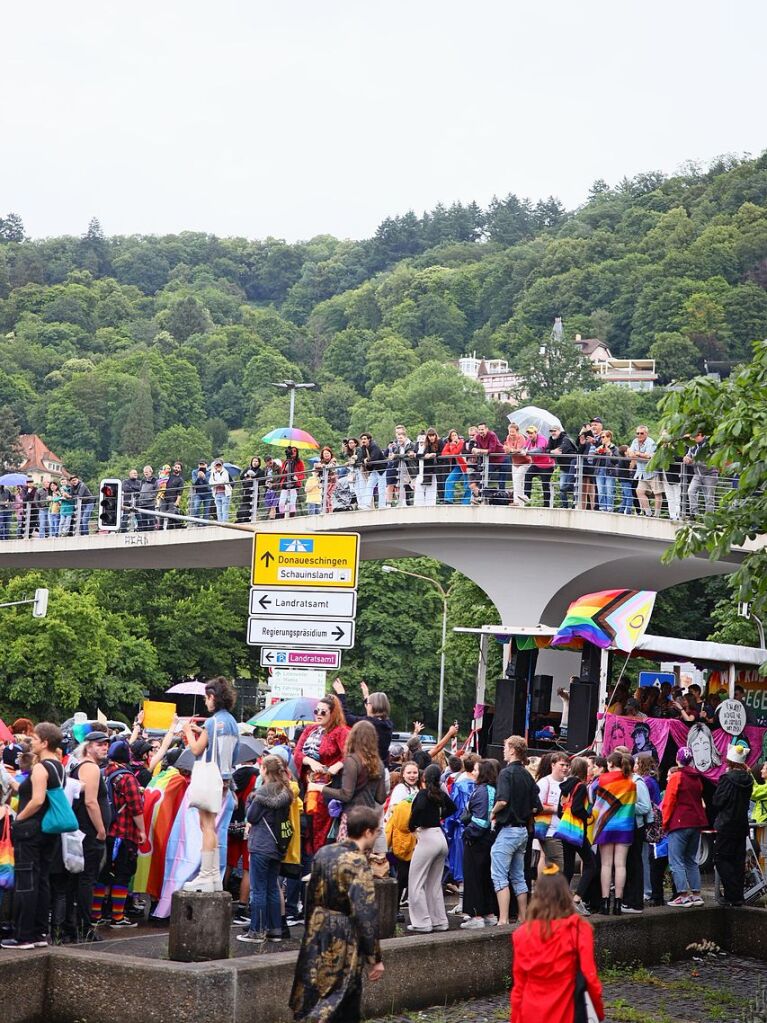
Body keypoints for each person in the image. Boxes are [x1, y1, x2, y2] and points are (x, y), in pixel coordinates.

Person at [290, 806, 384, 1023]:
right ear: (368, 832)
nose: (377, 835)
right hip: (343, 933)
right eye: (377, 831)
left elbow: (311, 895)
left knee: (316, 988)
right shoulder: (358, 862)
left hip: (318, 926)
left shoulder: (325, 852)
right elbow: (365, 912)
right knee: (342, 994)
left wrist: (309, 930)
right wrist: (374, 957)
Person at [510, 866, 604, 1023]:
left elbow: (519, 985)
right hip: (566, 1012)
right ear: (566, 895)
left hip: (530, 1013)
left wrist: (515, 1018)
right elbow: (590, 976)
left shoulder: (521, 934)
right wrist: (598, 1011)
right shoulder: (579, 929)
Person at [1, 722, 65, 950]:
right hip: (48, 831)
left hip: (31, 830)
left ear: (45, 742)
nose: (31, 742)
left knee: (26, 882)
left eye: (35, 739)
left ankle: (23, 935)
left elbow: (37, 800)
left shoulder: (40, 767)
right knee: (41, 880)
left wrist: (19, 818)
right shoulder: (58, 766)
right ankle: (39, 932)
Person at [182, 676, 240, 893]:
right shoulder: (232, 722)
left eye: (207, 698)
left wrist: (188, 731)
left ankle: (206, 875)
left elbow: (196, 750)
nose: (206, 702)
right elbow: (233, 753)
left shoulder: (212, 722)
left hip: (208, 776)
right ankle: (214, 875)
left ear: (213, 697)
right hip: (224, 778)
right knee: (213, 827)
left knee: (206, 825)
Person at [238, 754, 294, 944]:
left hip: (261, 844)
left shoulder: (262, 792)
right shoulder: (286, 791)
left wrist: (251, 800)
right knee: (272, 888)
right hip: (277, 846)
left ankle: (256, 931)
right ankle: (275, 930)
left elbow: (252, 817)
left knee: (259, 889)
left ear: (265, 770)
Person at [91, 741, 146, 929]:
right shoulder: (127, 778)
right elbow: (136, 808)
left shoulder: (103, 772)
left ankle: (96, 914)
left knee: (103, 874)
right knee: (123, 874)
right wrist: (143, 831)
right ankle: (117, 917)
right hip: (124, 832)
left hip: (105, 830)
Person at [490, 735, 542, 926]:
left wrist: (492, 812)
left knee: (499, 875)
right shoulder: (527, 775)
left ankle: (503, 920)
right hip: (523, 832)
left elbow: (502, 800)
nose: (504, 750)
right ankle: (523, 917)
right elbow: (537, 807)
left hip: (508, 829)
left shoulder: (506, 774)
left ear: (512, 750)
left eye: (505, 747)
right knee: (519, 876)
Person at [69, 730, 112, 942]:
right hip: (90, 833)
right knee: (87, 880)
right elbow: (90, 802)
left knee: (82, 880)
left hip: (84, 831)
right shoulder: (90, 768)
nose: (104, 747)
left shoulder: (83, 766)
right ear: (88, 747)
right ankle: (84, 927)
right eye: (99, 744)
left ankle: (75, 926)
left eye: (106, 744)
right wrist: (101, 830)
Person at [293, 694, 349, 854]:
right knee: (307, 827)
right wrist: (310, 762)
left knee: (322, 831)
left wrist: (336, 766)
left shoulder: (341, 732)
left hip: (327, 788)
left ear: (333, 713)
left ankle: (320, 863)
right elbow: (297, 753)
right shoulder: (310, 729)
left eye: (323, 712)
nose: (318, 714)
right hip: (307, 785)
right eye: (316, 710)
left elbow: (351, 754)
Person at [406, 763, 456, 933]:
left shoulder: (422, 794)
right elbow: (453, 807)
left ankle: (422, 922)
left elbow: (418, 809)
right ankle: (440, 920)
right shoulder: (439, 794)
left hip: (426, 837)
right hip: (440, 837)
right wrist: (440, 816)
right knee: (434, 884)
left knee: (416, 882)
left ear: (424, 778)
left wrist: (412, 826)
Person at [318, 720, 386, 841]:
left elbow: (346, 795)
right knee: (363, 858)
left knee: (346, 856)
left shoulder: (352, 761)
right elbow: (381, 798)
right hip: (370, 819)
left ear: (353, 737)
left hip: (352, 818)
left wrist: (319, 788)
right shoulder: (379, 763)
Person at [661, 746, 707, 908]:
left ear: (677, 759)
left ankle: (683, 895)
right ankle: (696, 894)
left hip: (680, 822)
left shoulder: (676, 777)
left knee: (676, 861)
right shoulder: (696, 778)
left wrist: (665, 823)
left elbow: (669, 802)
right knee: (691, 860)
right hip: (696, 822)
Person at [592, 752, 636, 915]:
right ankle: (618, 904)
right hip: (625, 826)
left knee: (605, 865)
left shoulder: (601, 780)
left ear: (609, 764)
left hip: (606, 826)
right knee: (620, 865)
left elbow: (594, 802)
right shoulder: (631, 784)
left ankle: (604, 903)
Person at [713, 742, 754, 906]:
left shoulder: (726, 779)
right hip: (741, 824)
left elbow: (718, 801)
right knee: (738, 860)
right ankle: (737, 896)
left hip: (726, 824)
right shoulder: (749, 780)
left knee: (720, 858)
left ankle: (732, 892)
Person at [460, 758, 499, 929]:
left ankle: (476, 915)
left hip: (478, 840)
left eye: (476, 770)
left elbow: (481, 820)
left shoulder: (482, 791)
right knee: (484, 876)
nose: (473, 772)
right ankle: (488, 913)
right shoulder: (491, 789)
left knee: (474, 876)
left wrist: (468, 833)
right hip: (488, 839)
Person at [557, 756, 596, 917]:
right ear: (583, 770)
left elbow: (561, 811)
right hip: (577, 831)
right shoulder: (580, 786)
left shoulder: (565, 787)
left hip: (565, 830)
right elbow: (577, 809)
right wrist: (587, 815)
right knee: (591, 864)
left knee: (567, 867)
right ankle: (577, 899)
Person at [332, 677, 393, 762]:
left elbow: (346, 717)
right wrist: (366, 696)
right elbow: (370, 715)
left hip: (367, 769)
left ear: (372, 706)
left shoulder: (368, 723)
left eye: (368, 703)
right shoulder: (387, 724)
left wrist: (341, 694)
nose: (366, 705)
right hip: (381, 768)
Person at [535, 752, 568, 872]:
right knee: (558, 867)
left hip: (565, 831)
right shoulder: (544, 783)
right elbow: (537, 806)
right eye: (562, 765)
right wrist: (557, 809)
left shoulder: (568, 782)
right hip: (550, 831)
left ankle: (545, 889)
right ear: (553, 765)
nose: (565, 768)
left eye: (567, 765)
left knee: (552, 866)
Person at [628, 426, 663, 517]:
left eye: (642, 433)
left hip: (652, 471)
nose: (639, 435)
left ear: (646, 434)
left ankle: (657, 515)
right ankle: (648, 513)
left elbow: (648, 456)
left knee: (657, 493)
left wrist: (638, 454)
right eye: (637, 433)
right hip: (641, 472)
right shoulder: (635, 441)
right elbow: (630, 452)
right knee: (639, 491)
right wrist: (637, 454)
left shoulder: (650, 442)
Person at [684, 427, 718, 515]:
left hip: (710, 474)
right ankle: (695, 514)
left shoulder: (709, 445)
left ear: (700, 435)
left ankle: (709, 516)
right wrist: (686, 458)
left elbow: (709, 462)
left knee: (709, 498)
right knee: (690, 491)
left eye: (694, 436)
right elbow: (688, 455)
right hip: (697, 474)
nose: (692, 438)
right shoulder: (693, 445)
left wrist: (692, 461)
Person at [523, 427, 555, 506]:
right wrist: (521, 450)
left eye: (531, 433)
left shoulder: (541, 439)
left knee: (545, 485)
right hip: (536, 464)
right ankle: (526, 496)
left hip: (546, 465)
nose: (530, 435)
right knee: (527, 475)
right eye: (528, 433)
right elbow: (523, 448)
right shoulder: (529, 440)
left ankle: (546, 505)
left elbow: (539, 450)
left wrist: (528, 452)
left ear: (536, 433)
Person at [547, 426, 578, 508]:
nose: (553, 432)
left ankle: (574, 506)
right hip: (563, 468)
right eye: (551, 431)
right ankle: (565, 506)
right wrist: (552, 451)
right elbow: (547, 450)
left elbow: (561, 449)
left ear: (559, 431)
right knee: (562, 488)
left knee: (573, 487)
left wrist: (554, 451)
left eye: (554, 431)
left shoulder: (566, 439)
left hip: (572, 467)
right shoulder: (551, 439)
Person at [358, 433, 387, 510]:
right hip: (373, 469)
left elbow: (375, 457)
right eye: (362, 439)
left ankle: (382, 505)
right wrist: (364, 460)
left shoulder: (374, 446)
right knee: (369, 486)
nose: (363, 441)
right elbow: (360, 458)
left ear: (369, 439)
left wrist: (367, 460)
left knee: (381, 487)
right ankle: (366, 504)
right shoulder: (363, 448)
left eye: (365, 439)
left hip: (381, 469)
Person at [443, 429, 472, 505]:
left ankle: (465, 503)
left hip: (465, 466)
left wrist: (452, 446)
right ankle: (448, 500)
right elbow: (444, 453)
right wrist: (451, 448)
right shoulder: (449, 444)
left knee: (467, 485)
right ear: (450, 437)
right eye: (452, 435)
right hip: (458, 466)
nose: (454, 437)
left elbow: (456, 452)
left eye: (455, 435)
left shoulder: (461, 443)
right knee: (449, 480)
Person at [414, 428, 441, 506]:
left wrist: (419, 455)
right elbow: (418, 454)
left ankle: (430, 507)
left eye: (423, 438)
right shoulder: (416, 446)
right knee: (419, 493)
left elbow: (429, 454)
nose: (421, 441)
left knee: (431, 493)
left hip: (430, 471)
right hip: (420, 472)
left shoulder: (429, 445)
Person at [237, 457, 265, 523]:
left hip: (255, 491)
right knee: (244, 505)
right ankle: (243, 519)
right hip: (247, 491)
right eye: (253, 461)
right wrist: (246, 475)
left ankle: (251, 519)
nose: (254, 463)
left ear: (259, 463)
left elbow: (262, 481)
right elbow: (241, 477)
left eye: (256, 461)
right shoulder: (247, 469)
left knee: (253, 505)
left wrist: (253, 477)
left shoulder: (260, 471)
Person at [161, 461, 185, 528]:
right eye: (176, 467)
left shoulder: (180, 480)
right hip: (164, 498)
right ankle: (160, 528)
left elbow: (180, 492)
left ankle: (173, 527)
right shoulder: (168, 476)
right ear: (173, 467)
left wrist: (177, 501)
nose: (176, 468)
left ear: (180, 470)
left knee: (171, 516)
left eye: (178, 468)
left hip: (173, 500)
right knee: (161, 514)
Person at [136, 465, 158, 531]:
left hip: (150, 502)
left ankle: (151, 530)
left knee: (151, 517)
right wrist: (140, 497)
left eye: (147, 472)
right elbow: (140, 490)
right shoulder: (142, 480)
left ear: (151, 472)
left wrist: (150, 497)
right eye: (144, 472)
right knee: (143, 518)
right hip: (142, 502)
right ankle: (144, 530)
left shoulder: (154, 480)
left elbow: (156, 491)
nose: (145, 473)